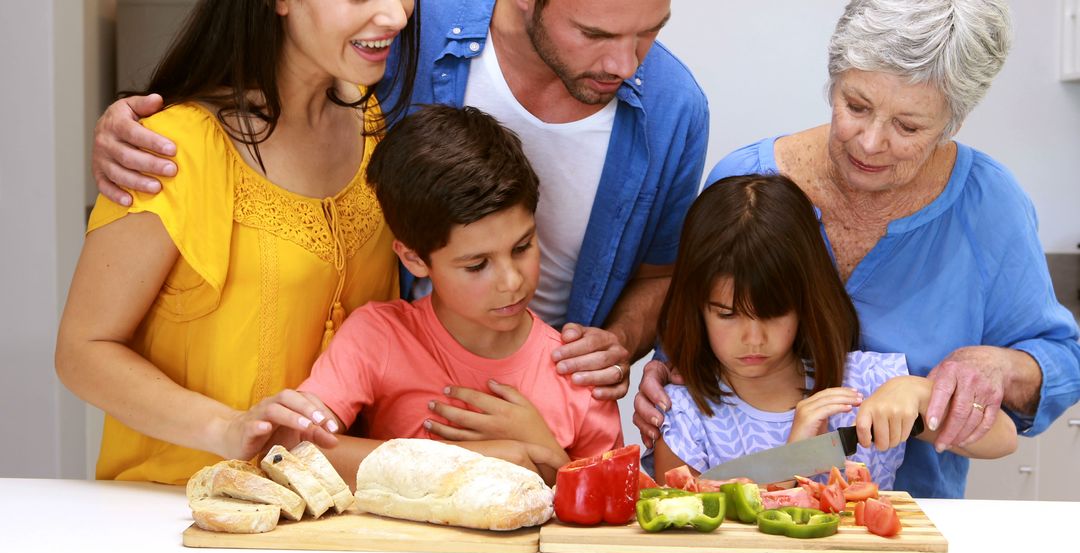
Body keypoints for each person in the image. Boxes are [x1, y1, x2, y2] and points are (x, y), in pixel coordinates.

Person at [88, 0, 709, 402]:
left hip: (538, 404)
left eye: (650, 32)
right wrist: (144, 123)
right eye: (593, 33)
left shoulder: (675, 106)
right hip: (378, 413)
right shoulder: (407, 34)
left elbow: (663, 276)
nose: (625, 63)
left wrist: (617, 342)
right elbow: (280, 73)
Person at [635, 0, 1080, 498]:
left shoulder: (989, 205)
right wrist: (665, 380)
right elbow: (687, 348)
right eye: (856, 106)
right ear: (833, 83)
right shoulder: (747, 188)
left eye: (908, 127)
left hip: (911, 522)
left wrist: (977, 378)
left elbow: (1055, 365)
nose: (869, 142)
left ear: (952, 123)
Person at [54, 0, 421, 483]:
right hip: (169, 518)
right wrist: (228, 427)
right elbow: (82, 351)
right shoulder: (170, 149)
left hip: (324, 516)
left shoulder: (368, 119)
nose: (396, 15)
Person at [255, 105, 624, 485]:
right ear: (414, 259)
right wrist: (474, 459)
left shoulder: (580, 373)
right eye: (477, 264)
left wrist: (543, 451)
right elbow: (291, 453)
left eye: (522, 246)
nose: (512, 281)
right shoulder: (377, 337)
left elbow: (613, 519)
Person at [648, 175, 1017, 489]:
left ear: (805, 301)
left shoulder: (865, 387)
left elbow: (1003, 438)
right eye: (727, 314)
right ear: (696, 306)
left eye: (773, 314)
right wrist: (794, 460)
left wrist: (919, 394)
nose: (753, 339)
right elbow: (684, 521)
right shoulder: (685, 413)